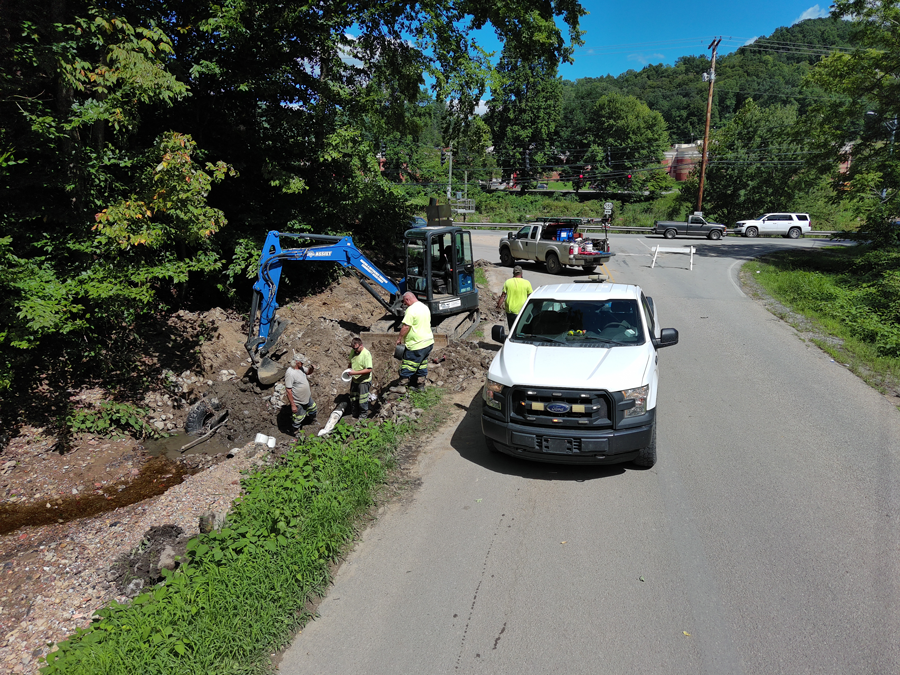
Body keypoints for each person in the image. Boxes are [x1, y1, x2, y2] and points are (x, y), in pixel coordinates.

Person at [395, 291, 434, 391]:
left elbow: (406, 326)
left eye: (404, 302)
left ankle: (401, 387)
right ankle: (420, 386)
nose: (405, 304)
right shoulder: (424, 307)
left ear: (407, 299)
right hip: (428, 342)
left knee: (408, 364)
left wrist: (399, 339)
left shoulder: (411, 310)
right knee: (421, 364)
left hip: (417, 344)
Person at [285, 354, 317, 433]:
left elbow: (308, 372)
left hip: (307, 398)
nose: (303, 364)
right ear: (296, 362)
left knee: (313, 408)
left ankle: (311, 421)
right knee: (298, 418)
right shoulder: (290, 373)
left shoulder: (301, 368)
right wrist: (293, 405)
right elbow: (288, 390)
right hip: (299, 401)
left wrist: (312, 368)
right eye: (301, 362)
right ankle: (295, 431)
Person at [347, 337, 373, 418]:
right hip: (355, 379)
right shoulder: (353, 352)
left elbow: (369, 369)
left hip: (364, 380)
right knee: (354, 398)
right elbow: (351, 362)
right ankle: (354, 413)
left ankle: (363, 416)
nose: (355, 350)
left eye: (356, 348)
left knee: (363, 400)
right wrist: (348, 370)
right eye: (353, 349)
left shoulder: (366, 354)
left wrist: (355, 373)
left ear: (361, 345)